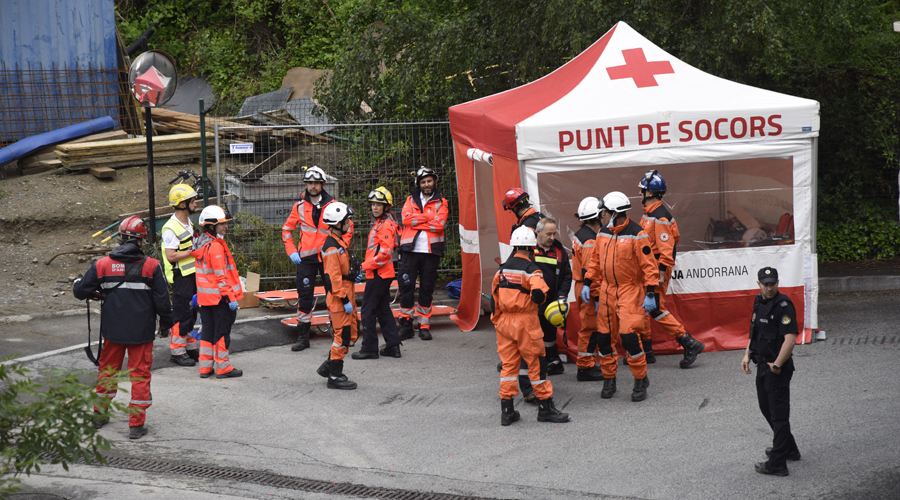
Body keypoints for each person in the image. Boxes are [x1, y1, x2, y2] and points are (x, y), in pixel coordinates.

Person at [73, 216, 173, 440]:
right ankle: (136, 426)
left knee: (107, 372)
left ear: (120, 238)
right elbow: (163, 301)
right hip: (142, 332)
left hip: (113, 331)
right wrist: (166, 324)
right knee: (140, 376)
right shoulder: (152, 266)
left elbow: (80, 291)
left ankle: (99, 415)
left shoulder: (103, 264)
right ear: (141, 240)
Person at [583, 191, 658, 402]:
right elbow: (595, 260)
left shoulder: (637, 234)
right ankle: (609, 379)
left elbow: (649, 266)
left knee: (629, 337)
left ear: (615, 213)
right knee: (604, 338)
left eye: (604, 212)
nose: (602, 216)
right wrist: (588, 282)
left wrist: (650, 293)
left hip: (630, 291)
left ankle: (640, 379)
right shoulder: (603, 233)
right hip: (607, 291)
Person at [492, 226, 570, 426]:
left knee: (509, 367)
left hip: (504, 323)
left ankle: (507, 411)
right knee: (536, 364)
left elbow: (494, 299)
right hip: (526, 322)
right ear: (532, 247)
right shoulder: (532, 270)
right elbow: (539, 293)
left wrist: (498, 321)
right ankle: (545, 409)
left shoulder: (502, 270)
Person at [638, 170, 705, 368]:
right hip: (649, 268)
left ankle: (688, 342)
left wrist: (660, 273)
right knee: (645, 307)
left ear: (650, 192)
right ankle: (646, 350)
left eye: (642, 190)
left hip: (656, 269)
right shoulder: (650, 214)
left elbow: (667, 248)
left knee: (656, 308)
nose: (640, 193)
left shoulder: (660, 216)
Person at [282, 166, 353, 352]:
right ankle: (303, 337)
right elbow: (287, 230)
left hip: (329, 258)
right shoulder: (298, 207)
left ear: (323, 184)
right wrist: (291, 251)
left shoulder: (334, 205)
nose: (313, 186)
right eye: (310, 183)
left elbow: (348, 228)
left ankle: (337, 334)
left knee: (334, 295)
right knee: (304, 296)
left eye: (316, 183)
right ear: (305, 184)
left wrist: (340, 249)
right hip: (306, 259)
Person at [742, 267, 801, 476]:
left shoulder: (783, 306)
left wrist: (777, 365)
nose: (769, 288)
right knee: (766, 409)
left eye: (772, 284)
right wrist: (747, 354)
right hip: (762, 364)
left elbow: (790, 340)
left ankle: (778, 463)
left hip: (777, 369)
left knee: (779, 416)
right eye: (765, 284)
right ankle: (789, 449)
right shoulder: (759, 301)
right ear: (758, 284)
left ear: (777, 283)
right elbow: (755, 331)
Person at [397, 166, 449, 341]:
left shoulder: (442, 202)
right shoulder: (410, 200)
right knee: (406, 288)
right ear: (418, 184)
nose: (427, 184)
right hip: (410, 251)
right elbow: (405, 220)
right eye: (423, 182)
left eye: (429, 181)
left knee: (427, 289)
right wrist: (429, 217)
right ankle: (406, 325)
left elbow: (439, 225)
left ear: (434, 182)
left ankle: (424, 326)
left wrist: (417, 220)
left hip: (431, 252)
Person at [192, 205, 243, 379]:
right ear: (211, 226)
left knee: (207, 331)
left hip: (206, 298)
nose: (225, 226)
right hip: (220, 298)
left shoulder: (201, 243)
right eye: (222, 224)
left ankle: (205, 368)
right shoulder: (215, 246)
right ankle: (223, 367)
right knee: (222, 332)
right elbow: (221, 277)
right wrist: (230, 297)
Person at [314, 202, 360, 389]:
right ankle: (334, 376)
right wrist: (345, 299)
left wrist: (351, 275)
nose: (349, 223)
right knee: (342, 337)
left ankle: (329, 366)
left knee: (349, 335)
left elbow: (340, 273)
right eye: (347, 221)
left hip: (345, 296)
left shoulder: (338, 242)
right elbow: (333, 279)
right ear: (338, 223)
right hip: (340, 299)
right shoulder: (332, 247)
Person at [353, 187, 402, 359]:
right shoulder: (381, 223)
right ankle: (393, 346)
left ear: (386, 207)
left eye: (378, 205)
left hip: (378, 275)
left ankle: (369, 349)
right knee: (383, 310)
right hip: (381, 274)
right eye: (373, 204)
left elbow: (385, 254)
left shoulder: (385, 225)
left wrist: (364, 266)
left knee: (367, 310)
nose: (374, 208)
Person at [161, 183, 200, 367]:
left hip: (191, 274)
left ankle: (189, 347)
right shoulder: (171, 228)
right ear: (182, 204)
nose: (196, 204)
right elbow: (171, 256)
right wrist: (193, 252)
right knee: (182, 313)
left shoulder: (187, 222)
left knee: (190, 312)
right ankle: (177, 352)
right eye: (192, 201)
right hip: (181, 277)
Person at [571, 197, 606, 382]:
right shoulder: (590, 239)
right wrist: (597, 295)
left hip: (583, 287)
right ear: (597, 216)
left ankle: (589, 362)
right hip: (589, 289)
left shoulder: (582, 235)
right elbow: (589, 271)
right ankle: (585, 367)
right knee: (590, 329)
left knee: (591, 328)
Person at [533, 217, 572, 375]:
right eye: (549, 234)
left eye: (554, 234)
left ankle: (552, 361)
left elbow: (566, 275)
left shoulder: (559, 251)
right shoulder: (528, 249)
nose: (552, 237)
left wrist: (562, 295)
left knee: (549, 335)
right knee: (531, 336)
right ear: (538, 232)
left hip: (551, 303)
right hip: (532, 303)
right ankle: (527, 362)